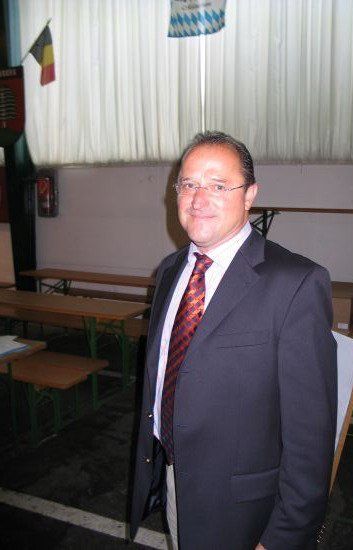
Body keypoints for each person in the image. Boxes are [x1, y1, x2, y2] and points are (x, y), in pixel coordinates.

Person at [129, 131, 337, 550]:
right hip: (175, 482)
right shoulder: (170, 271)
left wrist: (282, 538)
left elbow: (310, 437)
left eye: (218, 186)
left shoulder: (296, 284)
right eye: (188, 184)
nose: (198, 199)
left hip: (246, 513)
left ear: (250, 195)